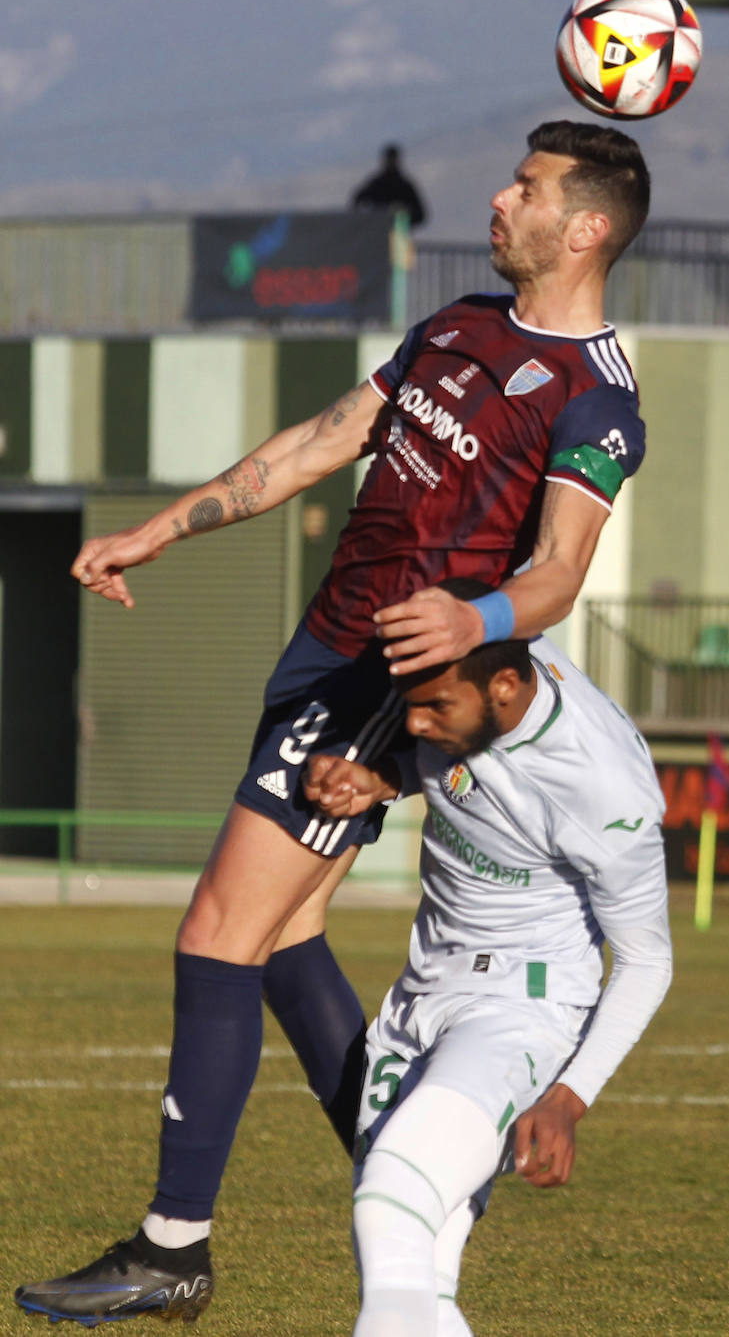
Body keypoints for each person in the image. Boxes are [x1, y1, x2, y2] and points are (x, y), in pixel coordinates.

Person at [14, 121, 652, 1325]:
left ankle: (172, 1249)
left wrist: (475, 622)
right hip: (319, 652)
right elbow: (319, 442)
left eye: (525, 187)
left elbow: (562, 569)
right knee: (288, 938)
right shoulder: (455, 325)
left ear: (585, 230)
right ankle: (412, 1177)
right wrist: (168, 523)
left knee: (216, 935)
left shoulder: (597, 397)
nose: (498, 197)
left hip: (381, 680)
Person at [304, 583, 673, 1337]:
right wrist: (384, 777)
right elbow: (472, 776)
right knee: (423, 1273)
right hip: (421, 995)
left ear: (508, 686)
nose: (413, 723)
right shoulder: (479, 678)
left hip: (521, 1008)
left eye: (435, 707)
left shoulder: (604, 791)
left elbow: (646, 961)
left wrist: (569, 1096)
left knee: (390, 1200)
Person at [351, 143, 428, 228]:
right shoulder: (377, 184)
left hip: (398, 232)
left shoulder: (404, 186)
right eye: (389, 159)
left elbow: (420, 214)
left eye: (393, 159)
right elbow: (357, 201)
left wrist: (404, 214)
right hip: (378, 231)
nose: (391, 162)